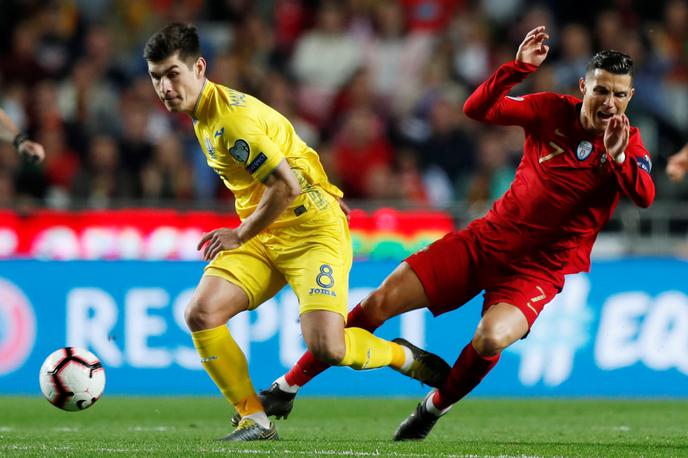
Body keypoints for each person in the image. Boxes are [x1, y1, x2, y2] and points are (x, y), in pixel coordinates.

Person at [251, 25, 655, 440]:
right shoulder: (550, 109)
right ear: (584, 85)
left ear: (630, 97)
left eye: (619, 94)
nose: (609, 102)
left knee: (490, 338)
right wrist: (515, 69)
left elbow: (645, 196)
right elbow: (477, 110)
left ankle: (432, 408)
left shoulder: (629, 143)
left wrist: (620, 156)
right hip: (485, 241)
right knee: (379, 302)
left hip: (537, 271)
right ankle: (286, 387)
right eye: (601, 90)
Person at [142, 23, 449, 442]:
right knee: (201, 313)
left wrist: (242, 231)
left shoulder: (229, 121)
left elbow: (284, 186)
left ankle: (401, 356)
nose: (164, 87)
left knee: (328, 348)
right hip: (266, 231)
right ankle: (254, 418)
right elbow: (287, 142)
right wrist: (316, 182)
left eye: (172, 74)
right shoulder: (204, 113)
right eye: (156, 76)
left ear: (199, 67)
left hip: (309, 230)